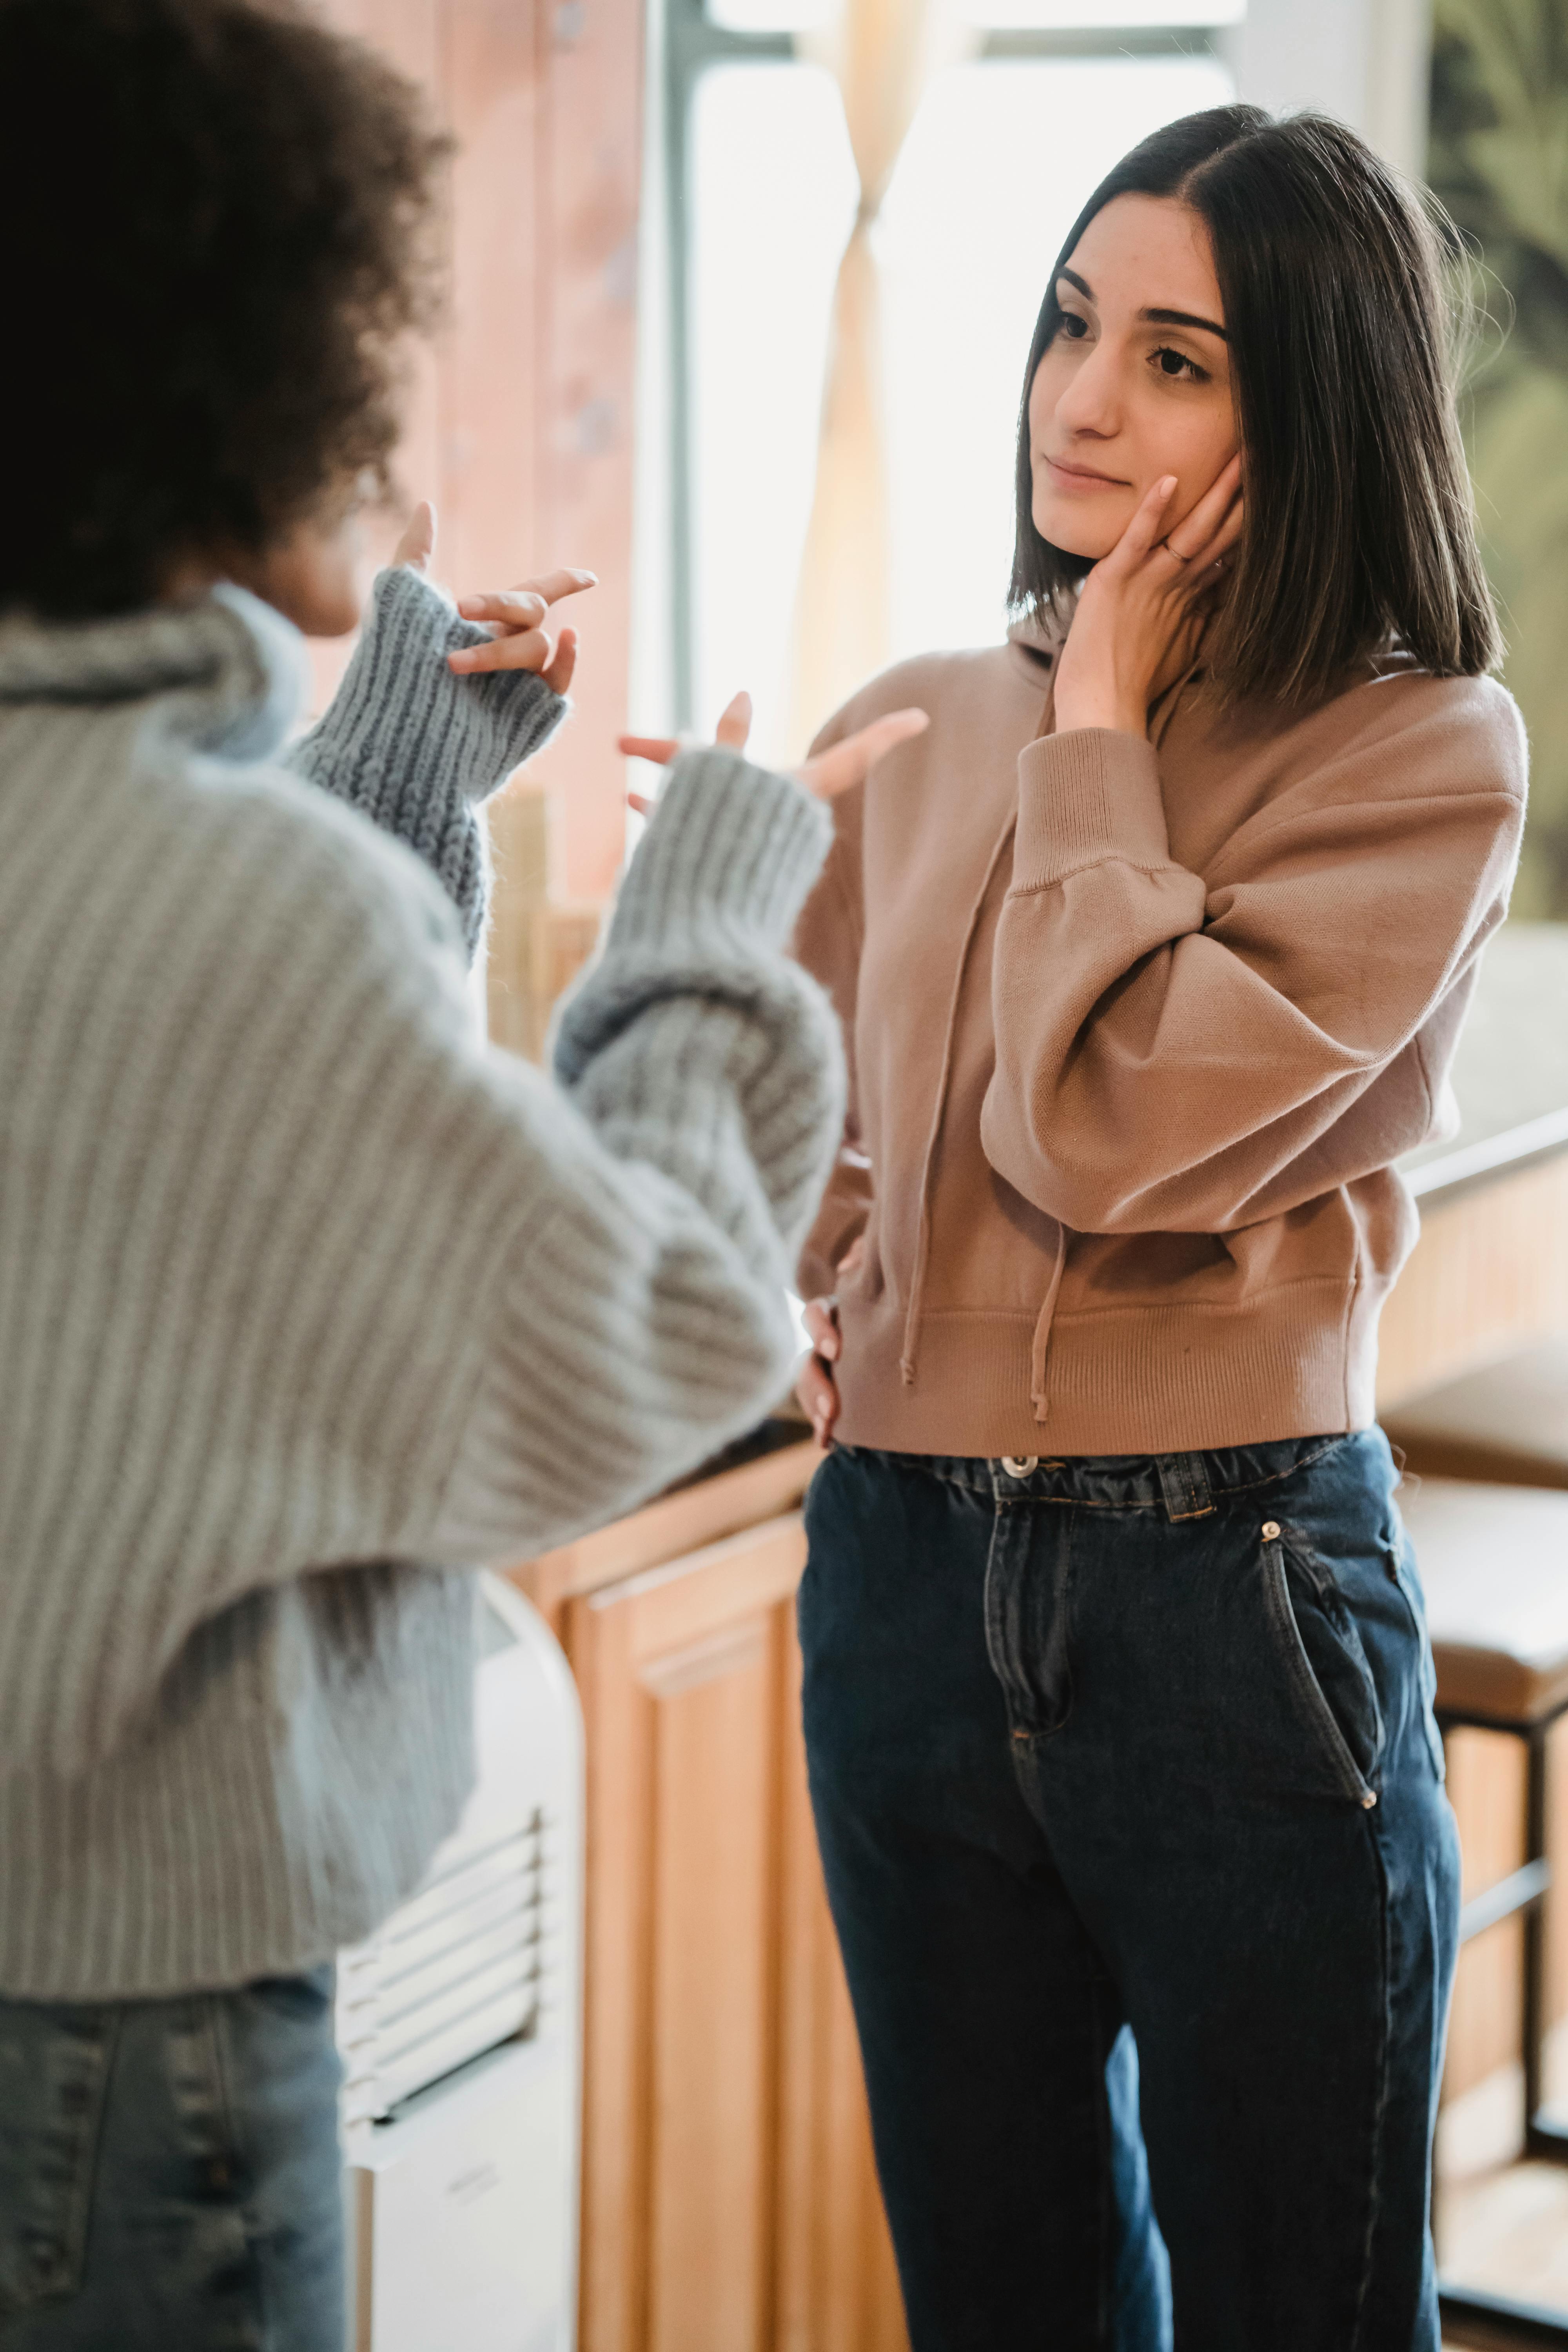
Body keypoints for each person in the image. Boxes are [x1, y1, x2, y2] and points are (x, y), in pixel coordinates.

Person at [0, 3, 924, 2346]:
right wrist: (717, 902)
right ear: (224, 373)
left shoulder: (106, 835)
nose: (405, 454)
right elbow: (659, 1335)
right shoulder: (232, 908)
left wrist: (405, 754)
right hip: (130, 2043)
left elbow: (152, 1046)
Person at [792, 104, 1526, 2352]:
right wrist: (825, 1294)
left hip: (1240, 1607)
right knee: (1003, 2306)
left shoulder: (1422, 757)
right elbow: (817, 1108)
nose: (1086, 399)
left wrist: (1096, 718)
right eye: (1075, 329)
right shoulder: (912, 720)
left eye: (1182, 359)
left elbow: (1108, 1129)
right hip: (903, 1587)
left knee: (1305, 2309)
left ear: (1311, 405)